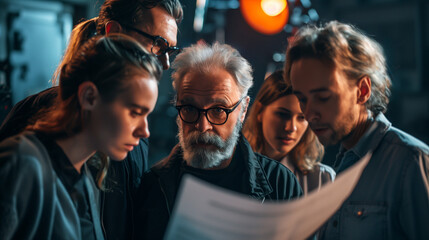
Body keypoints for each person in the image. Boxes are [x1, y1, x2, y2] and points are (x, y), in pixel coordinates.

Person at [0, 1, 183, 239]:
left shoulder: (84, 176)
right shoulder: (24, 159)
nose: (166, 63)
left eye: (170, 51)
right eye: (158, 45)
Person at [133, 42, 303, 239]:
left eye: (218, 111)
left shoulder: (279, 184)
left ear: (243, 109)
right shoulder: (152, 186)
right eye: (189, 108)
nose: (203, 126)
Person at [284, 20, 429, 239]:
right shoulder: (339, 164)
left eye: (323, 98)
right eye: (302, 99)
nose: (309, 113)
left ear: (362, 90)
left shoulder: (411, 162)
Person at [243, 70, 335, 195]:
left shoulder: (321, 179)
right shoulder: (234, 169)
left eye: (302, 117)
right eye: (282, 114)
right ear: (260, 111)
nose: (291, 128)